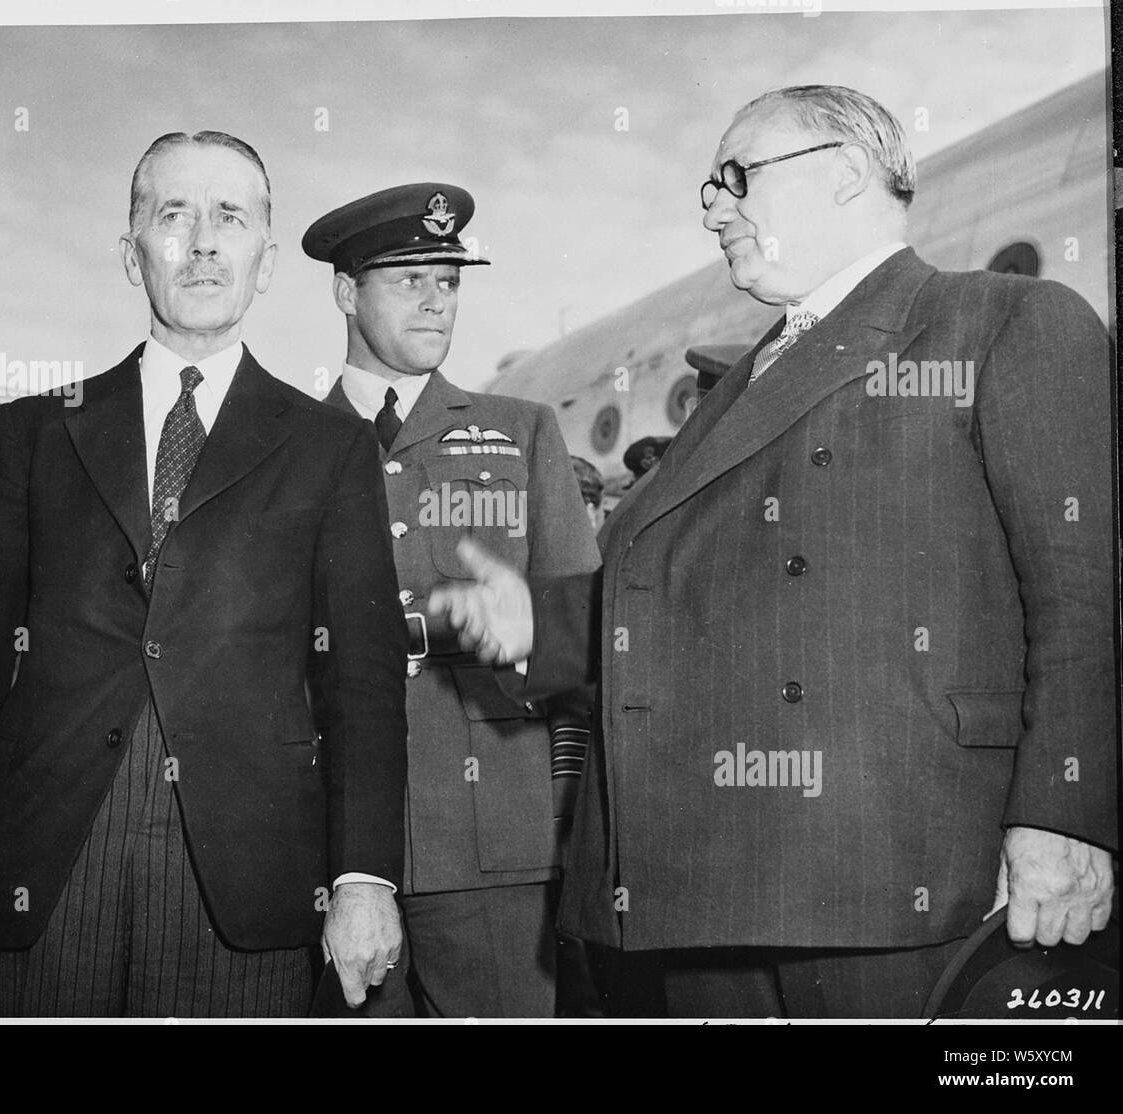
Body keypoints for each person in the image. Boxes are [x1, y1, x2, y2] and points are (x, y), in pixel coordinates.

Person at [430, 86, 1117, 1019]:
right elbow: (699, 594)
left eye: (735, 175)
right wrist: (539, 627)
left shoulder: (1003, 323)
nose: (711, 205)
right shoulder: (751, 372)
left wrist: (1063, 818)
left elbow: (1081, 594)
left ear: (843, 173)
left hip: (888, 880)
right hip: (704, 889)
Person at [0, 131, 409, 1017]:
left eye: (230, 217)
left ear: (266, 260)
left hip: (247, 884)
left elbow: (361, 678)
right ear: (131, 255)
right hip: (43, 872)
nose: (204, 241)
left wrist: (364, 876)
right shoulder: (34, 435)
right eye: (174, 215)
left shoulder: (333, 450)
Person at [303, 183, 600, 1017]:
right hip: (331, 838)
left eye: (451, 281)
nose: (438, 301)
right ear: (344, 291)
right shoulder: (287, 445)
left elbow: (585, 628)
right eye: (409, 280)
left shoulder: (523, 430)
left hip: (495, 833)